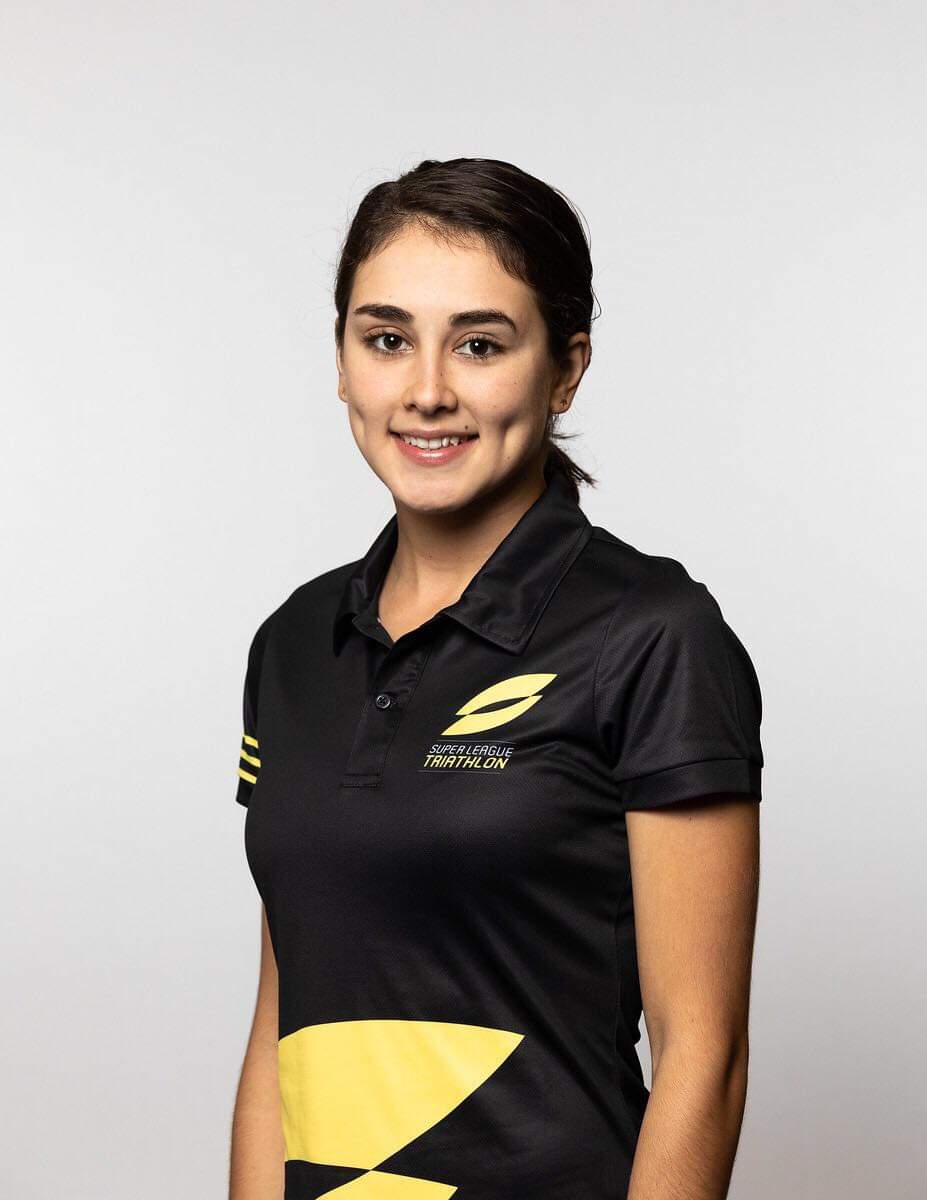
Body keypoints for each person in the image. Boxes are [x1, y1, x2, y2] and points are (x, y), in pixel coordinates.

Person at [228, 158, 764, 1200]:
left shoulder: (654, 635)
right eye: (387, 339)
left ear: (565, 371)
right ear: (342, 361)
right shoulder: (292, 643)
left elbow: (705, 1056)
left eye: (480, 344)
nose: (427, 390)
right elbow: (278, 1033)